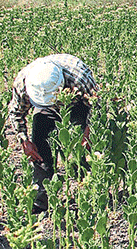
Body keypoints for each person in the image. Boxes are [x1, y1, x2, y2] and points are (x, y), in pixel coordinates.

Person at [7, 53, 98, 214]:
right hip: (46, 110)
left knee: (85, 149)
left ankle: (91, 194)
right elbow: (16, 113)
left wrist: (88, 133)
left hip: (76, 103)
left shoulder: (79, 77)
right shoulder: (24, 82)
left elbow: (97, 104)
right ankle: (42, 201)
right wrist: (24, 140)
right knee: (39, 148)